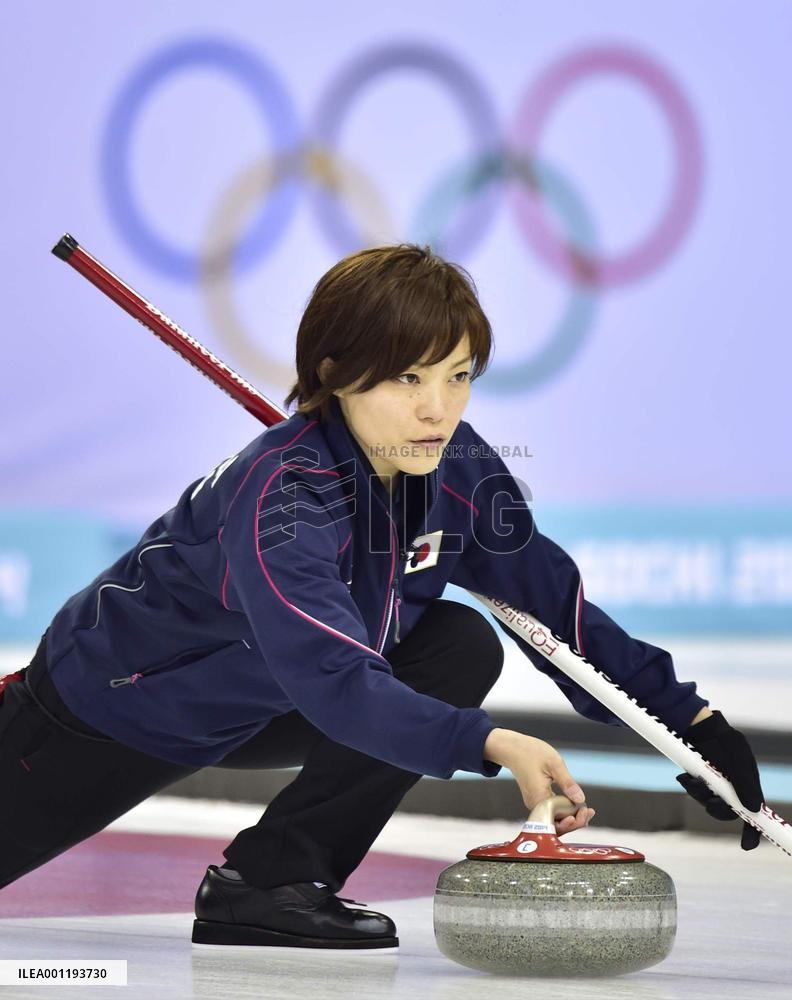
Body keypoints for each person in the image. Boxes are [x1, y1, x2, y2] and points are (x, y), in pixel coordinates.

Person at [0, 245, 764, 952]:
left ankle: (270, 882)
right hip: (113, 713)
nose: (439, 409)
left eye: (458, 376)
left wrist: (691, 725)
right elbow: (336, 681)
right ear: (336, 370)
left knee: (456, 644)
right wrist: (490, 743)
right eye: (408, 378)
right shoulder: (284, 499)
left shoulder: (456, 468)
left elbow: (559, 617)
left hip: (267, 698)